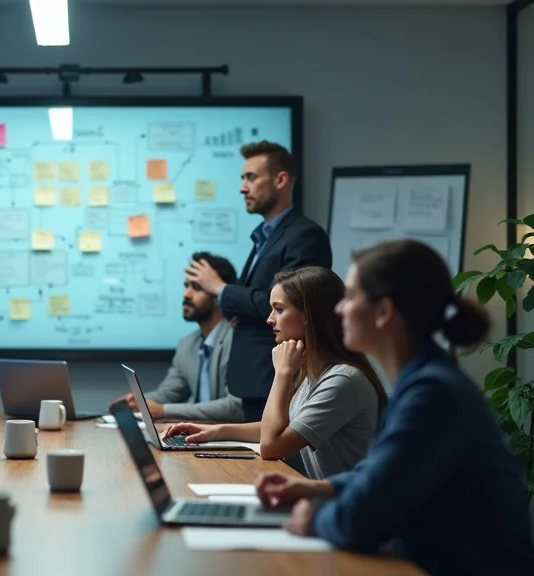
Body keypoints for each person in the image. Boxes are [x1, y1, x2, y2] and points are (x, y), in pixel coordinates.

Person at [254, 240, 534, 576]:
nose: (339, 310)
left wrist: (315, 514)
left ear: (384, 312)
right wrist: (319, 487)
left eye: (351, 297)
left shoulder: (432, 395)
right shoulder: (424, 382)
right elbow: (382, 472)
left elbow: (359, 520)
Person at [165, 266, 386, 479]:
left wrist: (283, 372)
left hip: (342, 503)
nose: (269, 319)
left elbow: (272, 446)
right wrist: (214, 431)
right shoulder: (316, 373)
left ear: (309, 315)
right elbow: (280, 428)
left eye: (279, 310)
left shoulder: (342, 380)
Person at [186, 141, 332, 422]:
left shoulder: (305, 235)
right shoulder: (263, 237)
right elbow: (258, 300)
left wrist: (219, 288)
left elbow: (286, 304)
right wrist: (238, 306)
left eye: (251, 178)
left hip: (277, 373)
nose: (243, 188)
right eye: (243, 178)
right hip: (256, 377)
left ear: (281, 179)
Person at [112, 252, 242, 422]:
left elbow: (235, 408)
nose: (186, 294)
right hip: (198, 433)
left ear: (219, 296)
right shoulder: (187, 344)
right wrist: (139, 403)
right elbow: (169, 393)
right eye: (186, 286)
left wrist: (163, 411)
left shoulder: (238, 341)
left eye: (197, 288)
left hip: (229, 435)